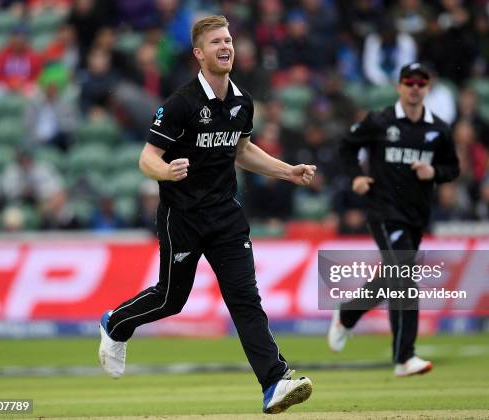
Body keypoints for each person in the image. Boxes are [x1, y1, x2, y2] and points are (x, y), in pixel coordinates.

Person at [97, 16, 316, 414]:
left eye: (229, 40)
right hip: (182, 216)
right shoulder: (180, 104)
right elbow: (147, 158)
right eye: (216, 41)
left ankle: (274, 382)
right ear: (199, 53)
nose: (225, 46)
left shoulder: (242, 103)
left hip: (225, 216)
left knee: (245, 299)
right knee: (170, 299)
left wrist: (287, 170)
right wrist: (165, 172)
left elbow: (242, 151)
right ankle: (116, 324)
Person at [329, 63, 459, 377]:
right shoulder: (380, 121)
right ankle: (404, 357)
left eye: (421, 82)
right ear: (399, 86)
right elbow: (346, 147)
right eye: (409, 82)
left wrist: (434, 173)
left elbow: (452, 168)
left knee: (392, 277)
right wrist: (357, 178)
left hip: (416, 216)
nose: (415, 87)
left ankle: (348, 314)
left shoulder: (438, 129)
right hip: (384, 212)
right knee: (404, 278)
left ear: (428, 87)